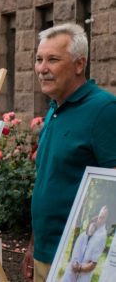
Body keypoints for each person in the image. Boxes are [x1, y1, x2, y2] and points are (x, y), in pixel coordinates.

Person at [22, 23, 116, 282]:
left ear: (79, 64)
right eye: (39, 59)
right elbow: (47, 180)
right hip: (45, 254)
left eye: (53, 59)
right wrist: (33, 245)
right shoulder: (55, 109)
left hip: (74, 262)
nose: (42, 68)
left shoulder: (104, 110)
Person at [62, 217, 98, 282]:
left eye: (95, 228)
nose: (93, 229)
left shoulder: (94, 242)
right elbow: (76, 254)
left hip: (82, 274)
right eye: (92, 226)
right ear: (89, 225)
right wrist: (76, 264)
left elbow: (92, 261)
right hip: (73, 271)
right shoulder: (82, 236)